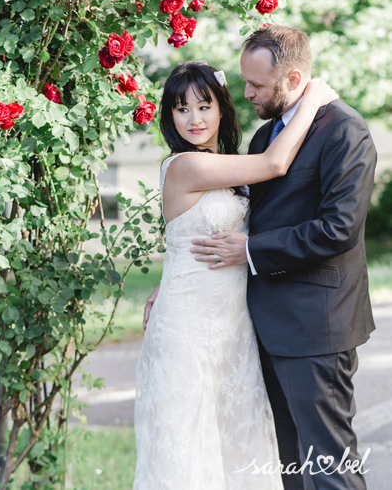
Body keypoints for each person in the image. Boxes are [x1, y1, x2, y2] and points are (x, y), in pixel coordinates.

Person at [180, 25, 377, 490]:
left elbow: (338, 229)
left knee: (329, 468)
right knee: (289, 465)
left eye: (257, 85)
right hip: (264, 326)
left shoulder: (345, 130)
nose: (245, 93)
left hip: (316, 327)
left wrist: (251, 250)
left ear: (292, 79)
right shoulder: (267, 135)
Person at [135, 57, 337, 490]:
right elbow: (273, 164)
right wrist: (313, 99)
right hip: (188, 328)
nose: (194, 118)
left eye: (204, 106)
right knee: (190, 447)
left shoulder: (227, 168)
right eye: (181, 109)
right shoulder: (184, 166)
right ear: (169, 116)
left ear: (222, 109)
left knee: (234, 443)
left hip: (232, 327)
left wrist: (166, 276)